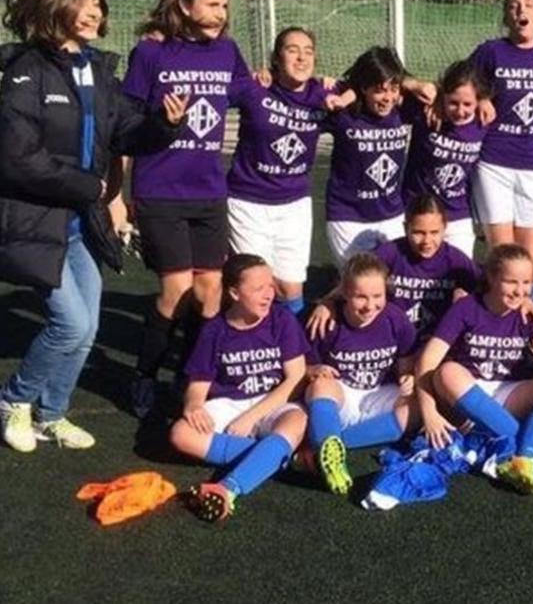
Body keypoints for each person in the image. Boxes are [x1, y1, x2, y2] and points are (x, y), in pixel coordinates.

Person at [0, 0, 185, 452]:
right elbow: (16, 159)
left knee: (89, 328)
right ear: (54, 5)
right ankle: (13, 401)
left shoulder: (97, 70)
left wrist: (164, 124)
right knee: (71, 324)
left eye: (98, 3)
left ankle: (51, 415)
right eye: (84, 1)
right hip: (39, 220)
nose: (95, 11)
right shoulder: (24, 71)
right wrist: (89, 184)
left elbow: (126, 130)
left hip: (84, 221)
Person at [122, 0, 252, 416]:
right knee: (177, 289)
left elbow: (247, 92)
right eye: (212, 4)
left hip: (208, 190)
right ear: (184, 4)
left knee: (211, 288)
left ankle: (191, 374)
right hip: (160, 189)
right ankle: (144, 375)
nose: (221, 13)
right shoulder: (150, 54)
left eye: (224, 6)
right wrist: (118, 194)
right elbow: (126, 128)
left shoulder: (227, 51)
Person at [413, 244, 533, 494]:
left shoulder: (527, 313)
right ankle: (530, 447)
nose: (519, 291)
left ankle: (520, 455)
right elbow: (427, 362)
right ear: (491, 277)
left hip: (510, 394)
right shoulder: (466, 308)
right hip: (468, 395)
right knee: (447, 372)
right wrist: (429, 413)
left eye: (527, 282)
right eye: (511, 282)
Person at [169, 254, 310, 522]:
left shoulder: (282, 319)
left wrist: (251, 417)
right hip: (230, 403)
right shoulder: (214, 330)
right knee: (180, 434)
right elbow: (198, 385)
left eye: (271, 286)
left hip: (274, 400)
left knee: (296, 421)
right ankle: (274, 457)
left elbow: (296, 377)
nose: (269, 294)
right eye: (258, 289)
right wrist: (194, 404)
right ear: (234, 292)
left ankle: (228, 488)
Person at [223, 27, 345, 319]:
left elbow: (371, 84)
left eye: (308, 51)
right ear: (276, 59)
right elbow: (213, 93)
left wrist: (344, 91)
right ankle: (243, 345)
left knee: (291, 289)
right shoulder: (256, 89)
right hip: (248, 202)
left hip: (294, 205)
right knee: (256, 285)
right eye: (292, 50)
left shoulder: (323, 95)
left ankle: (290, 351)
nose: (301, 58)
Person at [469, 0, 533, 301]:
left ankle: (527, 326)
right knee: (501, 255)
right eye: (513, 6)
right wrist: (482, 97)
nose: (520, 10)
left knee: (530, 259)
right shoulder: (491, 52)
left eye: (527, 5)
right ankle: (496, 325)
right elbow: (461, 81)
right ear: (506, 17)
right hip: (494, 163)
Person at [304, 253, 419, 495]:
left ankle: (333, 443)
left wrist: (407, 377)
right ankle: (329, 445)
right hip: (343, 396)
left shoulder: (395, 318)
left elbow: (406, 362)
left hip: (380, 395)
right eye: (360, 297)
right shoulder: (327, 323)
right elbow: (300, 367)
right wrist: (314, 370)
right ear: (344, 293)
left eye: (378, 296)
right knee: (319, 386)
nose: (369, 305)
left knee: (417, 407)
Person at [307, 195, 479, 342]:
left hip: (433, 340)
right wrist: (328, 302)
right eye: (418, 232)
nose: (427, 241)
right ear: (405, 228)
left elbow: (485, 287)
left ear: (444, 228)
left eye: (434, 232)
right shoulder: (391, 252)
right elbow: (354, 279)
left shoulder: (454, 259)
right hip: (391, 337)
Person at [323, 46, 425, 264]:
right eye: (379, 90)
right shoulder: (345, 113)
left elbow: (437, 93)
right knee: (359, 285)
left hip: (392, 215)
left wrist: (410, 83)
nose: (387, 98)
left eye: (393, 89)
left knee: (395, 285)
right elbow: (306, 92)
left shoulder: (403, 110)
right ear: (363, 88)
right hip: (348, 216)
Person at [400, 60, 488, 257]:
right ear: (443, 97)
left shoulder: (484, 120)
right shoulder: (427, 112)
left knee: (461, 279)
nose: (460, 110)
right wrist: (418, 85)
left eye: (467, 104)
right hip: (417, 210)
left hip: (456, 213)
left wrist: (485, 101)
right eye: (453, 103)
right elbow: (389, 74)